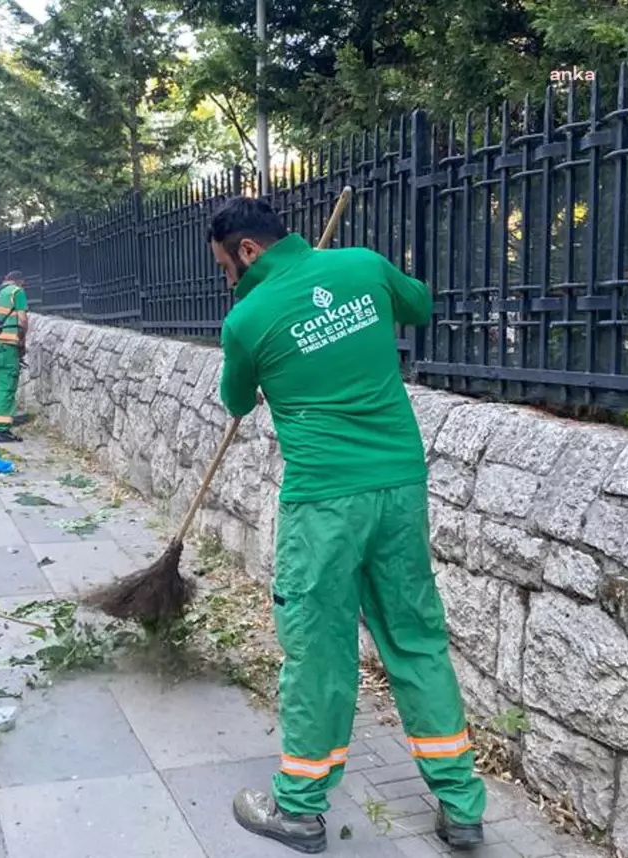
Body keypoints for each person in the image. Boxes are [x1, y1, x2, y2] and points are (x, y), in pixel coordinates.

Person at [206, 196, 486, 855]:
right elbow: (418, 305)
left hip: (325, 503)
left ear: (248, 251)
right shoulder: (363, 264)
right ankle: (461, 806)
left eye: (226, 268)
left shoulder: (248, 317)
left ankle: (299, 809)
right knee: (415, 638)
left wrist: (254, 326)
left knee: (320, 650)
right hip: (399, 487)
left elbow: (237, 400)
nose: (227, 281)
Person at [0, 271, 29, 442]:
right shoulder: (17, 292)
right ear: (20, 282)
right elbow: (22, 321)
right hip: (6, 346)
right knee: (6, 385)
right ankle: (1, 430)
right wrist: (22, 341)